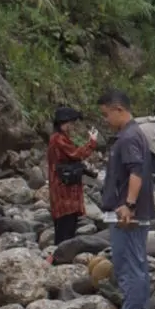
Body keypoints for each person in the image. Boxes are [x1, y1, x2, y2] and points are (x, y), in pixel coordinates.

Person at [98, 88, 155, 309]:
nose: (105, 120)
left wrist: (128, 205)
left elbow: (136, 172)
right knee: (131, 263)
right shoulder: (130, 135)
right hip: (125, 211)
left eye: (106, 114)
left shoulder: (130, 137)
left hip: (128, 214)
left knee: (130, 265)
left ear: (119, 109)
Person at [47, 106, 98, 248]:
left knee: (67, 221)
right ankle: (62, 254)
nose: (72, 126)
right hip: (63, 187)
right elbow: (76, 154)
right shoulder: (58, 139)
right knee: (66, 223)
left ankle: (62, 253)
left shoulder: (59, 138)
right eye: (70, 122)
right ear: (62, 122)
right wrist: (92, 142)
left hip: (63, 185)